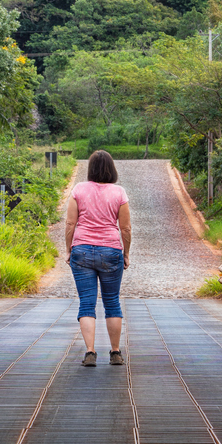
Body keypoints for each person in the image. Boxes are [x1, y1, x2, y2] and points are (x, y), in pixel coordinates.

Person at [65, 149, 132, 366]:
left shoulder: (78, 190)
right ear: (111, 169)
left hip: (81, 250)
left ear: (90, 168)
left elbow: (70, 224)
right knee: (112, 301)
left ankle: (91, 352)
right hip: (111, 251)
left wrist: (68, 250)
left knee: (87, 302)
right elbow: (126, 228)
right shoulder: (119, 193)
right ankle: (115, 352)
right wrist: (126, 253)